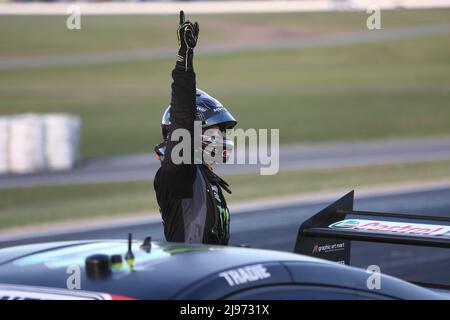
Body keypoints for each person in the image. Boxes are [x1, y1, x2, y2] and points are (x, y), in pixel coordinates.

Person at [154, 11, 237, 245]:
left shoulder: (206, 177)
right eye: (214, 131)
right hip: (190, 272)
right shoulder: (179, 175)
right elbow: (182, 117)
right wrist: (184, 61)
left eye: (222, 132)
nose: (221, 136)